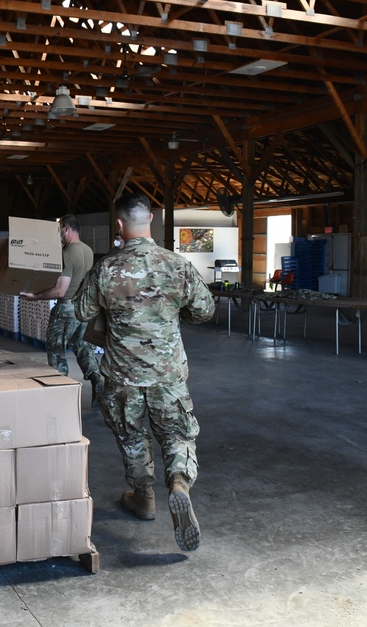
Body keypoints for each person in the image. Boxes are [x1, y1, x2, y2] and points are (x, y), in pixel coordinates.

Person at [73, 193, 214, 552]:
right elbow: (204, 310)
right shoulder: (176, 265)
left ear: (118, 225)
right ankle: (179, 484)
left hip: (123, 375)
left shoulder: (106, 268)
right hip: (167, 374)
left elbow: (81, 312)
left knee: (133, 438)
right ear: (150, 219)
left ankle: (144, 498)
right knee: (177, 435)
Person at [19, 214, 102, 392]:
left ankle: (60, 390)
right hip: (84, 308)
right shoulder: (87, 250)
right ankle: (95, 376)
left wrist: (35, 296)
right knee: (83, 347)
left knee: (57, 351)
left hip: (66, 309)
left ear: (66, 228)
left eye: (59, 229)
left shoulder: (67, 253)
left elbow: (60, 290)